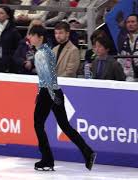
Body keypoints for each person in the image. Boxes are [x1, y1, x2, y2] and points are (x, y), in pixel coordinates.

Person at [28, 25, 96, 171]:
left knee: (38, 124)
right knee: (64, 125)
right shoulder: (48, 51)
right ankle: (87, 152)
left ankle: (47, 159)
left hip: (49, 91)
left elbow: (47, 76)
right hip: (53, 91)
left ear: (40, 37)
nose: (29, 37)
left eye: (32, 35)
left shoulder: (41, 53)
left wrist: (46, 94)